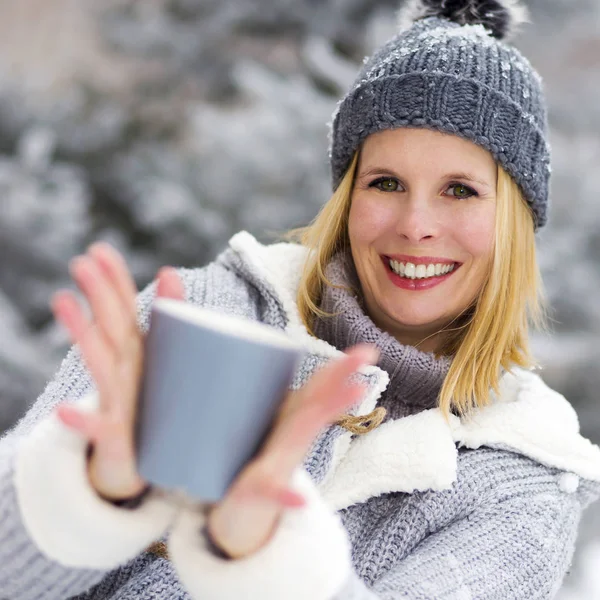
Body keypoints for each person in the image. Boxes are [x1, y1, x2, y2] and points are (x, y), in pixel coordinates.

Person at [1, 0, 599, 598]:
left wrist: (273, 561)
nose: (416, 224)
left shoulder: (523, 484)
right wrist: (80, 493)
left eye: (461, 191)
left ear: (514, 225)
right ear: (346, 198)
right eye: (385, 183)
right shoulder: (205, 313)